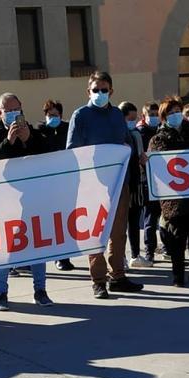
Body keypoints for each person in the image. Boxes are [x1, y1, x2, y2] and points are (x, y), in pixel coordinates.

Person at [65, 71, 144, 299]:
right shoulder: (81, 116)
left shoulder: (118, 115)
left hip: (119, 182)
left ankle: (117, 276)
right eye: (96, 90)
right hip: (93, 186)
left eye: (104, 89)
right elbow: (73, 151)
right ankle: (98, 281)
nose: (100, 93)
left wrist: (138, 155)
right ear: (88, 92)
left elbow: (125, 141)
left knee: (118, 233)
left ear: (111, 90)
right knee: (96, 233)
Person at [0, 93, 54, 311]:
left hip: (32, 199)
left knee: (38, 245)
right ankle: (1, 294)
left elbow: (50, 157)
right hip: (4, 202)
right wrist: (9, 142)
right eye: (8, 110)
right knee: (4, 249)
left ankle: (40, 291)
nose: (13, 114)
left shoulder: (33, 132)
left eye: (17, 109)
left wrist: (29, 139)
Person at [148, 96, 189, 287]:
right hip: (173, 198)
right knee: (176, 238)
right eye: (170, 113)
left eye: (177, 111)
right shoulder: (158, 139)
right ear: (163, 117)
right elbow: (156, 165)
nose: (175, 115)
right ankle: (178, 275)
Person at [37, 99, 74, 272]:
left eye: (56, 115)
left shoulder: (67, 129)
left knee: (65, 221)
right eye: (49, 115)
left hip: (65, 182)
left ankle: (64, 257)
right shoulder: (39, 132)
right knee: (50, 223)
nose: (53, 118)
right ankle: (53, 257)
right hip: (45, 184)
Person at [118, 101, 151, 270]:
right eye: (129, 118)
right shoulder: (117, 135)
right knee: (120, 223)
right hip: (122, 184)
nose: (133, 121)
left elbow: (140, 156)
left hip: (136, 183)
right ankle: (120, 256)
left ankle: (135, 255)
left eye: (134, 118)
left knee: (134, 221)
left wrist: (143, 159)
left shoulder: (136, 134)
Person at [135, 101, 163, 265]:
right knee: (151, 219)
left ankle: (166, 248)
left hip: (165, 181)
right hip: (148, 181)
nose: (154, 117)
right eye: (150, 115)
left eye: (156, 114)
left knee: (165, 218)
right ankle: (150, 251)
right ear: (144, 117)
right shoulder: (141, 133)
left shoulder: (163, 131)